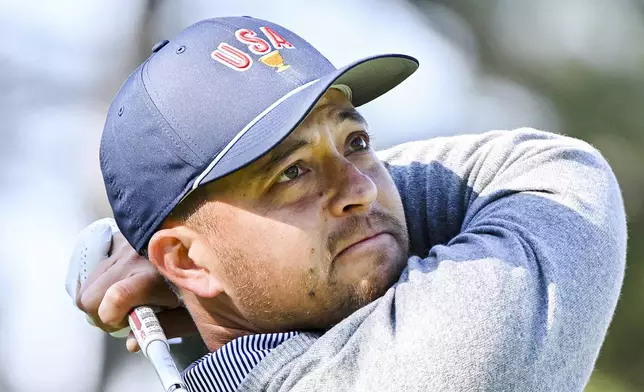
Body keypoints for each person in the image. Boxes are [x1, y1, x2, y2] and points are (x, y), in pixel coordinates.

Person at [71, 16, 626, 392]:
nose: (359, 188)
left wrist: (201, 251)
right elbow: (551, 170)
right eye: (291, 172)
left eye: (356, 143)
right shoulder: (445, 354)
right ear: (186, 263)